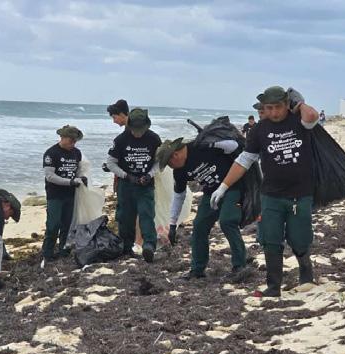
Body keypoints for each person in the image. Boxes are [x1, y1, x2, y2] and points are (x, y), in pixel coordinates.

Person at [213, 86, 319, 297]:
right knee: (270, 240)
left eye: (278, 107)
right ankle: (273, 286)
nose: (273, 112)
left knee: (299, 239)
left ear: (286, 104)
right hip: (271, 195)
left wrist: (298, 104)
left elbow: (312, 117)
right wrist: (223, 186)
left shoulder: (299, 122)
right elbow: (244, 160)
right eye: (269, 108)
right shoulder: (259, 130)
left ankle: (306, 272)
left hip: (300, 194)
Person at [156, 137, 249, 280]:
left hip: (232, 186)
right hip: (211, 192)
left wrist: (213, 143)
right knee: (199, 225)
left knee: (227, 221)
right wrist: (172, 224)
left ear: (175, 155)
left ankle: (239, 266)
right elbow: (179, 196)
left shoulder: (200, 146)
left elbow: (234, 145)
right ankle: (197, 270)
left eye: (169, 163)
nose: (170, 167)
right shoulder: (180, 171)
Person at [105, 108, 162, 262]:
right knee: (125, 217)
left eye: (141, 130)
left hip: (145, 185)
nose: (138, 134)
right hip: (126, 185)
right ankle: (126, 248)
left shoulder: (154, 139)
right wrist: (126, 176)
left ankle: (149, 245)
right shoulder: (121, 140)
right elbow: (111, 163)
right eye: (135, 130)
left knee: (146, 214)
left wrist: (149, 175)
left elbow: (159, 162)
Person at [41, 125, 86, 264]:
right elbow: (50, 176)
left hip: (71, 195)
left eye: (75, 141)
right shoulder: (51, 153)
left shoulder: (76, 153)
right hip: (55, 195)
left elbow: (78, 170)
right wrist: (70, 182)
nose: (73, 144)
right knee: (53, 224)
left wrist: (82, 178)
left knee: (68, 224)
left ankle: (64, 250)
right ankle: (47, 252)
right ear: (62, 137)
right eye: (71, 140)